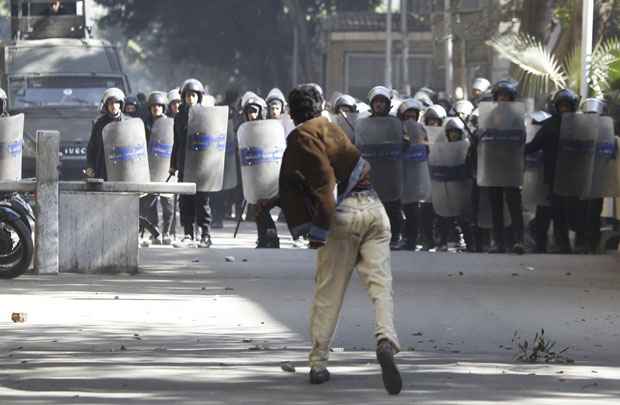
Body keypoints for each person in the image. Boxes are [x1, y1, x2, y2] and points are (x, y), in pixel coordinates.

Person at [259, 84, 402, 395]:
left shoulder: (300, 135)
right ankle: (386, 340)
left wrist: (318, 231)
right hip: (375, 210)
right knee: (381, 286)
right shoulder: (333, 127)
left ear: (292, 112)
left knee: (329, 292)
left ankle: (318, 362)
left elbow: (324, 185)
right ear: (319, 106)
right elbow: (341, 171)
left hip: (342, 216)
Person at [525, 89, 578, 253]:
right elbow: (535, 145)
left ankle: (565, 244)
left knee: (565, 211)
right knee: (547, 209)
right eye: (561, 106)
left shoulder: (578, 125)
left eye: (567, 106)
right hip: (551, 173)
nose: (564, 109)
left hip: (571, 175)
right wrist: (515, 148)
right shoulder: (549, 124)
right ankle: (543, 243)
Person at [170, 78, 212, 248]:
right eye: (187, 95)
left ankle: (205, 234)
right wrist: (173, 164)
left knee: (202, 201)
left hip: (201, 165)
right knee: (185, 200)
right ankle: (188, 233)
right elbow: (176, 142)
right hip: (184, 164)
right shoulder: (179, 117)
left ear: (199, 97)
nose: (190, 99)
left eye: (193, 95)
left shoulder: (207, 116)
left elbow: (213, 140)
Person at [363, 86, 403, 250]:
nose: (379, 105)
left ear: (388, 105)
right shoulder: (362, 124)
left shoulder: (395, 123)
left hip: (391, 171)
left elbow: (403, 143)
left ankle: (394, 236)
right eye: (376, 102)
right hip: (371, 171)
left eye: (382, 102)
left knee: (393, 205)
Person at [241, 92, 280, 248]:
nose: (252, 114)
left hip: (273, 177)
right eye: (249, 111)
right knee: (258, 206)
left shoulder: (271, 129)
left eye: (255, 111)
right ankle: (264, 237)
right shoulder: (245, 130)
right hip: (255, 174)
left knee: (265, 205)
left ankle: (273, 236)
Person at [436, 118, 476, 251]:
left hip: (462, 184)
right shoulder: (441, 147)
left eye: (456, 132)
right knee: (446, 215)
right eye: (451, 132)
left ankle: (471, 244)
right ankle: (442, 242)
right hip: (447, 183)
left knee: (463, 216)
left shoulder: (466, 145)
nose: (453, 135)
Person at [141, 91, 174, 246]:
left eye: (159, 106)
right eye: (153, 106)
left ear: (164, 107)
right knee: (150, 202)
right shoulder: (145, 124)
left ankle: (167, 232)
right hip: (149, 167)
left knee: (167, 202)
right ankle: (155, 232)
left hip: (167, 166)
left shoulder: (170, 124)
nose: (156, 108)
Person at [397, 98, 428, 250]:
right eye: (407, 116)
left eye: (412, 116)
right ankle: (400, 236)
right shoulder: (396, 129)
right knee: (397, 207)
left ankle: (411, 239)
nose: (410, 119)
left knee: (412, 208)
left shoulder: (422, 130)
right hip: (398, 173)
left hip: (416, 174)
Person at [85, 88, 126, 180]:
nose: (114, 106)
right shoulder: (99, 123)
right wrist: (90, 166)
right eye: (110, 103)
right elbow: (92, 147)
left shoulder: (128, 122)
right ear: (106, 105)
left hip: (123, 166)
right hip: (104, 167)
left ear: (121, 104)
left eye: (116, 103)